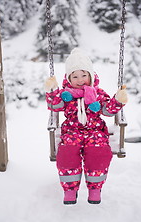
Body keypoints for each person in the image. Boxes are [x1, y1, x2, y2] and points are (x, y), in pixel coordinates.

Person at [45, 48, 128, 205]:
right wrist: (52, 91)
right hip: (72, 131)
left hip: (95, 131)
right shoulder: (65, 94)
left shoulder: (97, 93)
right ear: (69, 78)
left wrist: (118, 100)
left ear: (90, 75)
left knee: (99, 152)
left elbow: (107, 111)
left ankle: (95, 189)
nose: (80, 79)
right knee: (67, 154)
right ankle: (70, 190)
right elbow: (54, 105)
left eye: (84, 75)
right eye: (75, 76)